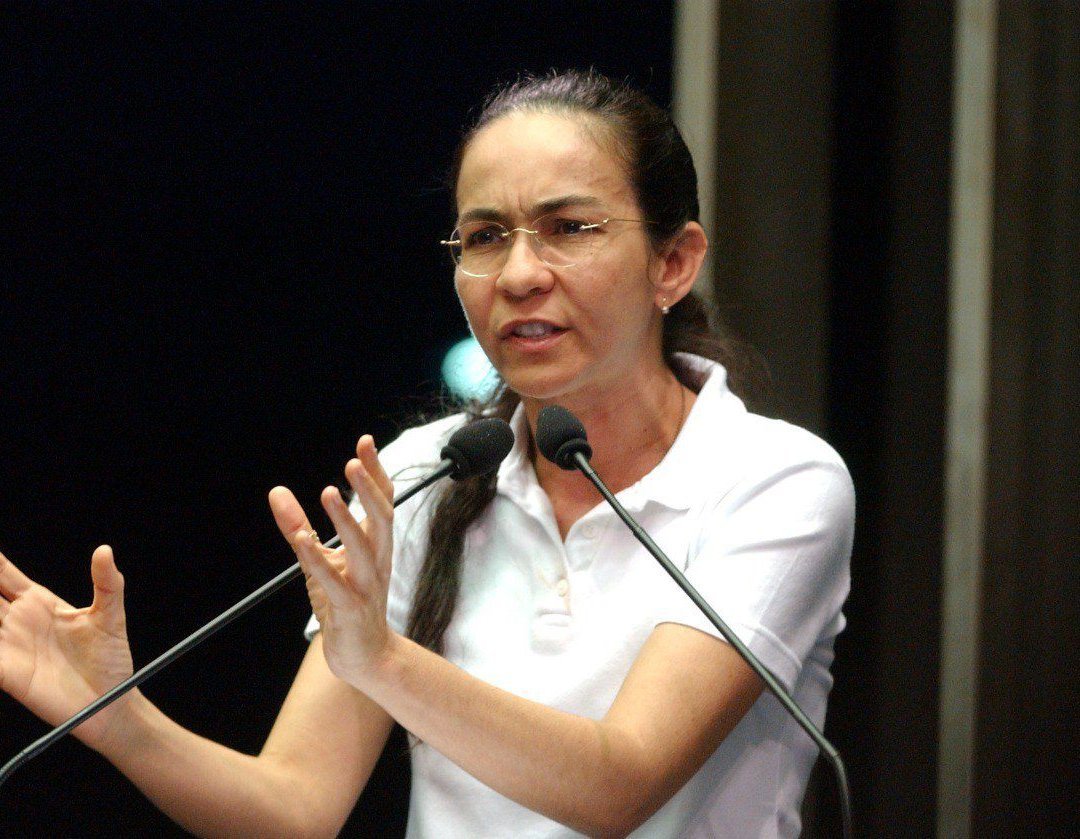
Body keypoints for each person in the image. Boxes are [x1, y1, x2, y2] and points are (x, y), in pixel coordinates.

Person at [0, 70, 853, 837]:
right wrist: (120, 720)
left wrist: (382, 657)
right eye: (484, 237)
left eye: (568, 227)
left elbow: (619, 785)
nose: (519, 274)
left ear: (673, 262)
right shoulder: (426, 475)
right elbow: (295, 808)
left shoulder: (776, 482)